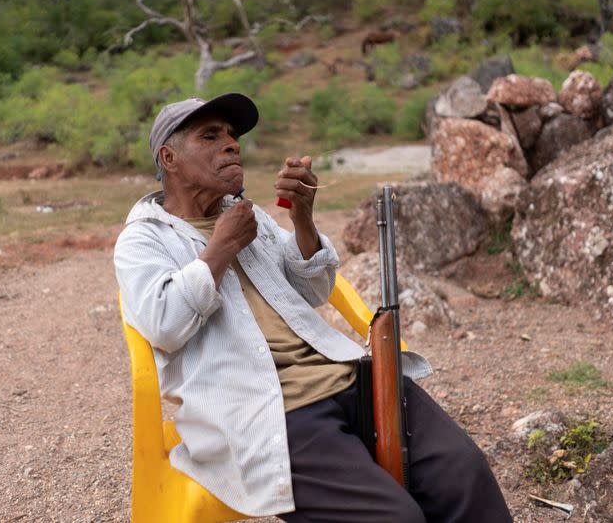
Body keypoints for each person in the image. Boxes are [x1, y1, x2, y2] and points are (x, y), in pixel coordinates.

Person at [114, 92, 512, 522]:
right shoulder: (144, 239)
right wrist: (220, 248)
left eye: (231, 135)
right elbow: (163, 326)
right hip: (271, 410)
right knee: (394, 518)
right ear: (169, 158)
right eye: (210, 136)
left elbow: (315, 291)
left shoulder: (250, 216)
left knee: (466, 478)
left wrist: (302, 218)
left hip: (348, 377)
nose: (231, 144)